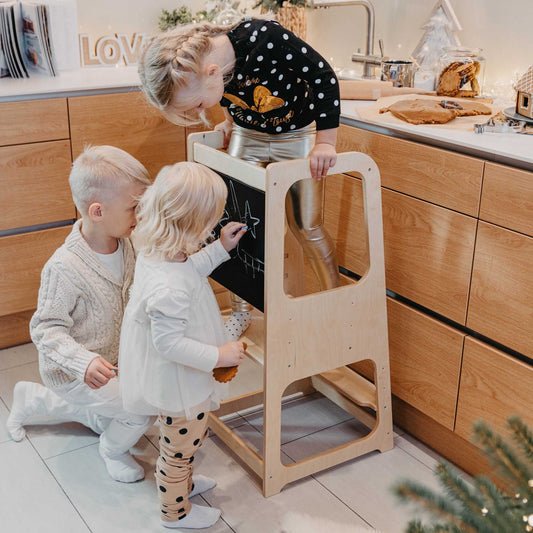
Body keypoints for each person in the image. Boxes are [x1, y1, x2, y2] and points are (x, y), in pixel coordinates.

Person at [138, 16, 341, 326]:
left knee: (306, 226)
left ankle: (335, 305)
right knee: (237, 225)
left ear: (213, 72)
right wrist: (231, 122)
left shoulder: (266, 38)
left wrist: (325, 143)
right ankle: (240, 313)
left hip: (298, 135)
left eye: (197, 105)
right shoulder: (209, 66)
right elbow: (229, 94)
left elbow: (323, 76)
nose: (200, 111)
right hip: (248, 135)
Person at [6, 145, 154, 483]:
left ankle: (32, 399)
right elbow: (45, 329)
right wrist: (81, 362)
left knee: (131, 401)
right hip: (75, 371)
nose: (141, 215)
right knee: (141, 408)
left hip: (114, 361)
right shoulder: (64, 267)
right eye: (134, 207)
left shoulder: (126, 243)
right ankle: (112, 450)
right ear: (98, 211)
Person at [118, 161, 247, 529]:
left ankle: (184, 484)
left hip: (179, 379)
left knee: (185, 442)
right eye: (212, 222)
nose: (215, 226)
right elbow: (169, 344)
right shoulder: (168, 287)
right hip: (178, 380)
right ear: (194, 226)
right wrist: (219, 355)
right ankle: (175, 512)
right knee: (179, 450)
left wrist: (220, 248)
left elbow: (190, 269)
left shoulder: (161, 255)